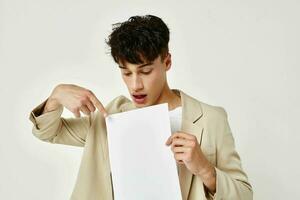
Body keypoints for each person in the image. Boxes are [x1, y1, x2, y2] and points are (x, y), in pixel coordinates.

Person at [29, 15, 252, 200]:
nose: (135, 85)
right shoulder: (110, 117)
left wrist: (205, 169)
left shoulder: (211, 119)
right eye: (126, 73)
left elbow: (244, 195)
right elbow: (49, 132)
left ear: (167, 62)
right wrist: (56, 97)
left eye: (145, 72)